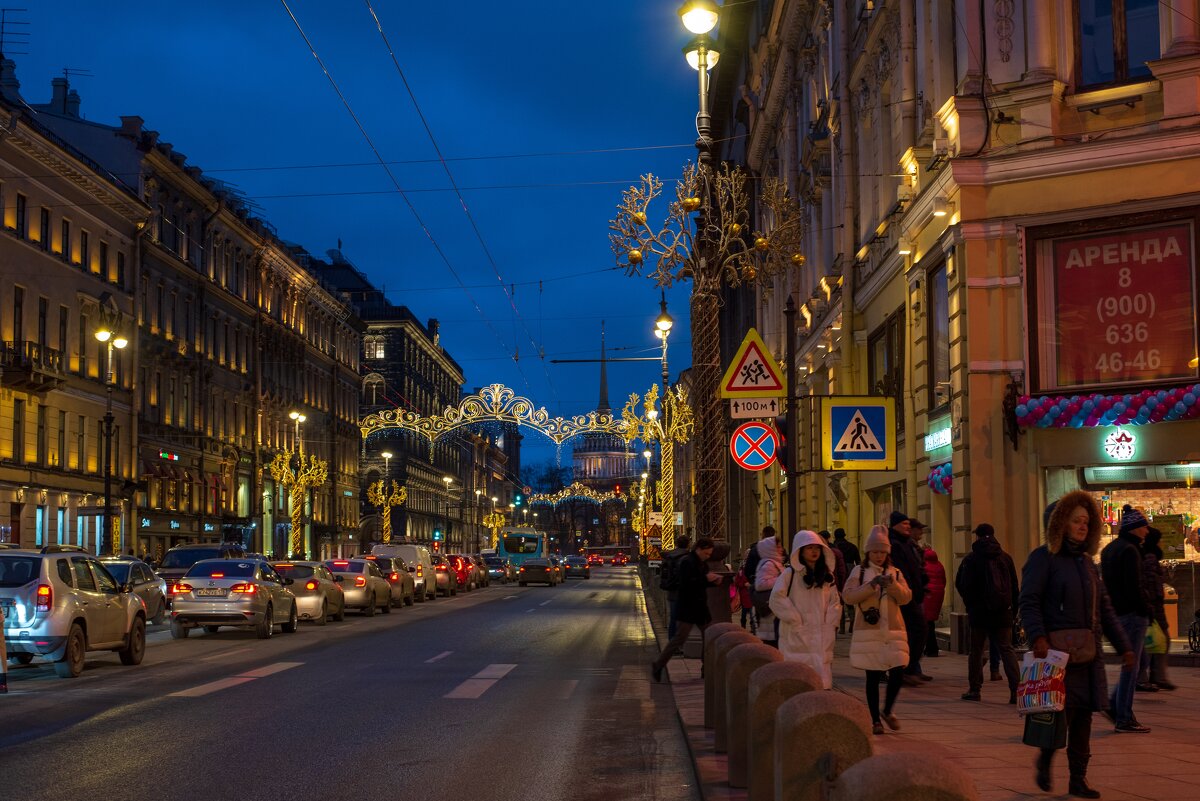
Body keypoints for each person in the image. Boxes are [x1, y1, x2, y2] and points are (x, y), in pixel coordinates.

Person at [1021, 491, 1134, 798]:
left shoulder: (1087, 563)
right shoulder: (1043, 559)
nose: (1083, 527)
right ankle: (1045, 759)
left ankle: (1078, 779)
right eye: (1076, 521)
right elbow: (1029, 601)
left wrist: (1124, 647)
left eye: (1086, 521)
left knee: (1083, 715)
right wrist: (1038, 637)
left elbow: (1106, 609)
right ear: (1060, 524)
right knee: (1060, 715)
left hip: (1088, 654)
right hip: (1057, 656)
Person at [843, 525, 912, 735]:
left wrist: (892, 586)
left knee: (898, 672)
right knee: (872, 676)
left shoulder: (895, 572)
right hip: (869, 632)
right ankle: (875, 720)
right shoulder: (859, 571)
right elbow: (848, 596)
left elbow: (906, 597)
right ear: (868, 552)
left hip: (893, 630)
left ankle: (888, 710)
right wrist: (871, 585)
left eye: (883, 552)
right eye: (875, 552)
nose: (879, 556)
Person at [1100, 504, 1152, 733]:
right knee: (1132, 666)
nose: (1147, 531)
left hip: (1116, 613)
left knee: (1133, 662)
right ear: (1134, 528)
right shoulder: (1130, 551)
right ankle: (1124, 717)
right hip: (1133, 614)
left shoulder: (1109, 549)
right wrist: (1146, 610)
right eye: (1144, 526)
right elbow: (1135, 586)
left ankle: (1115, 705)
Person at [955, 523, 1021, 703]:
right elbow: (1015, 588)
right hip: (1003, 613)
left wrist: (971, 605)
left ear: (977, 536)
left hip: (979, 614)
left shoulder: (971, 559)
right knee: (1007, 649)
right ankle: (1016, 691)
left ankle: (975, 689)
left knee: (976, 650)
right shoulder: (1006, 558)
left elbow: (962, 584)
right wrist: (1013, 609)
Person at [769, 530, 842, 688]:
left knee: (821, 683)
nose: (814, 551)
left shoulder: (826, 575)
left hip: (822, 635)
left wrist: (830, 624)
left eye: (817, 547)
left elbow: (835, 601)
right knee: (798, 682)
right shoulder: (791, 574)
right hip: (796, 636)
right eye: (809, 547)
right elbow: (776, 598)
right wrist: (795, 619)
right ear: (800, 550)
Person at [652, 537, 722, 682]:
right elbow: (687, 584)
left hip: (700, 607)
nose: (708, 557)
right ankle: (658, 665)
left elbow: (700, 582)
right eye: (707, 554)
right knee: (679, 639)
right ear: (699, 549)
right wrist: (707, 579)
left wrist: (713, 582)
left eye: (710, 555)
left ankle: (706, 668)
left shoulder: (700, 563)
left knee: (708, 636)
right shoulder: (687, 562)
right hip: (688, 607)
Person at [886, 512, 929, 684]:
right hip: (904, 596)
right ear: (895, 525)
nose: (908, 527)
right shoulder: (896, 545)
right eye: (904, 524)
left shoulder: (905, 544)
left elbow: (915, 568)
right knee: (917, 630)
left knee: (913, 632)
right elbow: (903, 571)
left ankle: (907, 669)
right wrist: (910, 590)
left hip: (913, 595)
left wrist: (922, 582)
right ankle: (905, 669)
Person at [1137, 527, 1175, 691]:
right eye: (1160, 540)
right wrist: (1153, 604)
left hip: (1153, 606)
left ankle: (1153, 676)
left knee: (1156, 641)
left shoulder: (1146, 556)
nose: (1162, 542)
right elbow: (1150, 583)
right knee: (1159, 641)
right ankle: (1152, 677)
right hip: (1154, 607)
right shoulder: (1150, 558)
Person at [754, 535, 786, 645]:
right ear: (770, 549)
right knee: (772, 643)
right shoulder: (769, 564)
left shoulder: (774, 563)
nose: (781, 549)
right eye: (778, 547)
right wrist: (782, 580)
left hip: (774, 609)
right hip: (770, 611)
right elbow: (760, 584)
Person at [660, 535, 691, 639]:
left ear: (676, 544)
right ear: (688, 544)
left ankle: (672, 641)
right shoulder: (686, 557)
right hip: (684, 592)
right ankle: (680, 643)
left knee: (673, 618)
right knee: (685, 619)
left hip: (671, 591)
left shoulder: (669, 556)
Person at [833, 528, 861, 633]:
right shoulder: (852, 546)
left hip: (838, 573)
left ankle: (841, 628)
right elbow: (858, 561)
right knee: (849, 599)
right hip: (850, 571)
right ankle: (852, 624)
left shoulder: (835, 548)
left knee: (839, 600)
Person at [922, 544, 946, 658]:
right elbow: (944, 580)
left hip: (927, 595)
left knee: (926, 623)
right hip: (938, 594)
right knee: (930, 622)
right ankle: (931, 648)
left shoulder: (923, 565)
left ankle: (931, 649)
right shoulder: (939, 565)